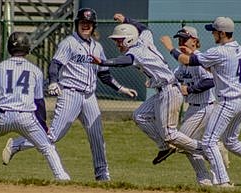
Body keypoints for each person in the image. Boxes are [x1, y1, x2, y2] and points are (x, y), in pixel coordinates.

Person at [1, 8, 137, 181]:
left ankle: (102, 175)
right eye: (82, 23)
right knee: (54, 135)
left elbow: (104, 74)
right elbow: (55, 64)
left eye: (88, 23)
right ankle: (17, 144)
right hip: (70, 93)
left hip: (89, 97)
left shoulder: (98, 47)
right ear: (77, 24)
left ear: (93, 26)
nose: (85, 26)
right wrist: (53, 81)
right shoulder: (69, 43)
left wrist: (121, 89)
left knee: (97, 136)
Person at [90, 13, 216, 185]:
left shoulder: (135, 51)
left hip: (170, 91)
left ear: (128, 39)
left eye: (119, 40)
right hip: (163, 91)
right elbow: (144, 28)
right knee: (139, 116)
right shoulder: (144, 39)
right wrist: (127, 20)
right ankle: (165, 147)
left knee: (170, 134)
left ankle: (209, 150)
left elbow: (124, 61)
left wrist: (104, 63)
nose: (117, 43)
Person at [160, 16, 241, 187]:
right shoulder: (238, 48)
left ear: (222, 33)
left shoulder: (220, 51)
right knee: (231, 141)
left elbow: (186, 61)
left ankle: (223, 182)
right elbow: (213, 66)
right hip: (240, 101)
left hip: (227, 102)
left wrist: (170, 48)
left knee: (208, 141)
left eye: (214, 31)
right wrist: (192, 53)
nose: (213, 34)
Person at [0, 32, 70, 180]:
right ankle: (62, 177)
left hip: (2, 117)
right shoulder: (35, 70)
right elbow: (39, 103)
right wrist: (43, 125)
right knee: (47, 147)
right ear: (28, 48)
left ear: (9, 48)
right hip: (26, 118)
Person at [171, 26, 230, 184]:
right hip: (194, 107)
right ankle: (204, 179)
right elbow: (173, 78)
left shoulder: (199, 58)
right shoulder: (183, 62)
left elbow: (210, 80)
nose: (181, 42)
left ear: (195, 42)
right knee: (186, 145)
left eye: (185, 39)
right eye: (179, 39)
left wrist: (189, 89)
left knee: (180, 141)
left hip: (204, 106)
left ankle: (212, 154)